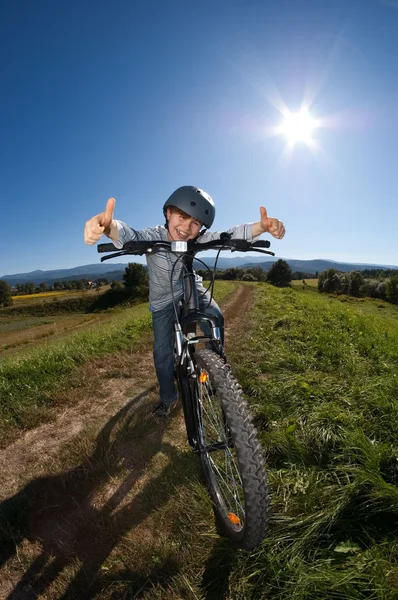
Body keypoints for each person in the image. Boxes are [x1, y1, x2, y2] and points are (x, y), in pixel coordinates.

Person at [84, 186, 285, 418]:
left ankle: (216, 370)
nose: (187, 228)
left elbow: (226, 235)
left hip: (191, 288)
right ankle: (169, 398)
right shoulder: (154, 236)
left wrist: (261, 227)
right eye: (182, 217)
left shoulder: (196, 238)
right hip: (162, 300)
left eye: (196, 223)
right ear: (168, 213)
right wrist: (107, 225)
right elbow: (131, 235)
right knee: (162, 354)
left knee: (215, 317)